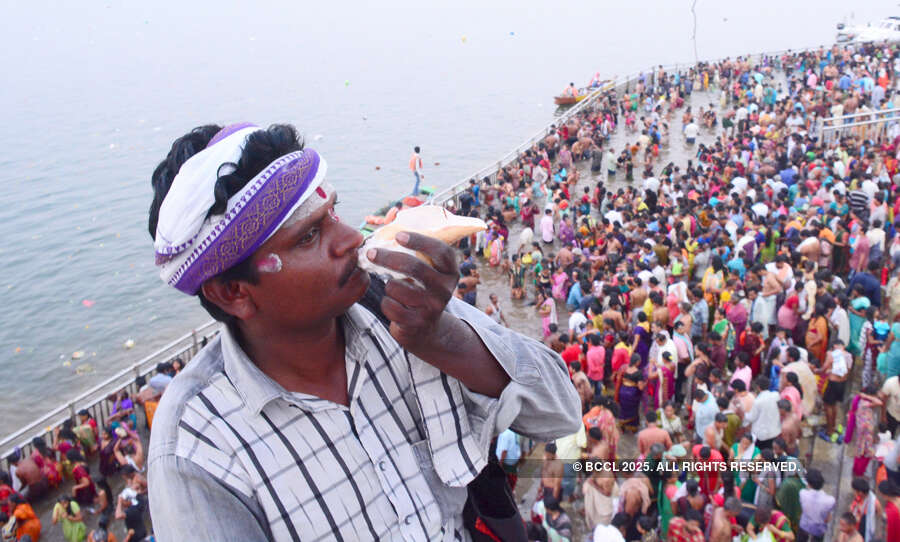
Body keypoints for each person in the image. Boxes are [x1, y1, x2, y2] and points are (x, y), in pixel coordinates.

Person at [145, 123, 581, 540]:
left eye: (333, 212)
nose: (352, 238)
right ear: (232, 291)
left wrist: (444, 339)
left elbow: (560, 411)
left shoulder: (399, 309)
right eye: (309, 235)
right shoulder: (197, 446)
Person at [798, 469, 835, 542]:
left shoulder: (803, 493)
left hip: (804, 527)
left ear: (809, 484)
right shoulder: (830, 500)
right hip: (819, 530)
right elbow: (828, 518)